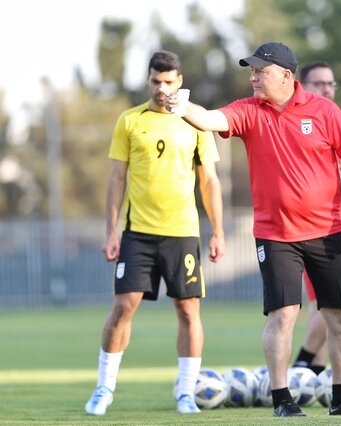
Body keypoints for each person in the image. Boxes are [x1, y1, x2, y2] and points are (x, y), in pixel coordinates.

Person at [165, 41, 341, 417]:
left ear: (286, 76)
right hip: (276, 235)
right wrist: (183, 108)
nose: (253, 77)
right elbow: (213, 119)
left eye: (260, 71)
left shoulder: (325, 110)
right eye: (252, 70)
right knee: (284, 314)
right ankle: (282, 400)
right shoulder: (249, 111)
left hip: (328, 232)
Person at [84, 50, 226, 416]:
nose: (162, 88)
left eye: (168, 81)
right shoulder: (130, 121)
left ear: (179, 81)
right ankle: (104, 388)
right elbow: (117, 178)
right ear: (148, 81)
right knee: (123, 306)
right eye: (155, 81)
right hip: (138, 233)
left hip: (182, 232)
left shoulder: (196, 123)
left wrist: (218, 232)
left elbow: (209, 181)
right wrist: (111, 230)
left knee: (188, 311)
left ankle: (185, 392)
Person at [292, 60, 341, 376]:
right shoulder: (300, 120)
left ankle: (314, 373)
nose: (327, 89)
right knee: (324, 306)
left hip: (331, 228)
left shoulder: (333, 119)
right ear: (303, 85)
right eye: (319, 83)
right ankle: (302, 367)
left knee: (339, 309)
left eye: (331, 84)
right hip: (304, 229)